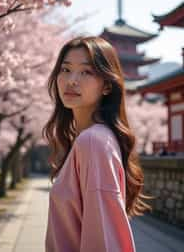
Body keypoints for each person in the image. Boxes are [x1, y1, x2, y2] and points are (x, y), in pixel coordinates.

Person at [43, 36, 152, 252]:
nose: (72, 80)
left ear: (106, 86)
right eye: (65, 70)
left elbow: (103, 241)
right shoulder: (92, 139)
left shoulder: (93, 142)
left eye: (86, 72)